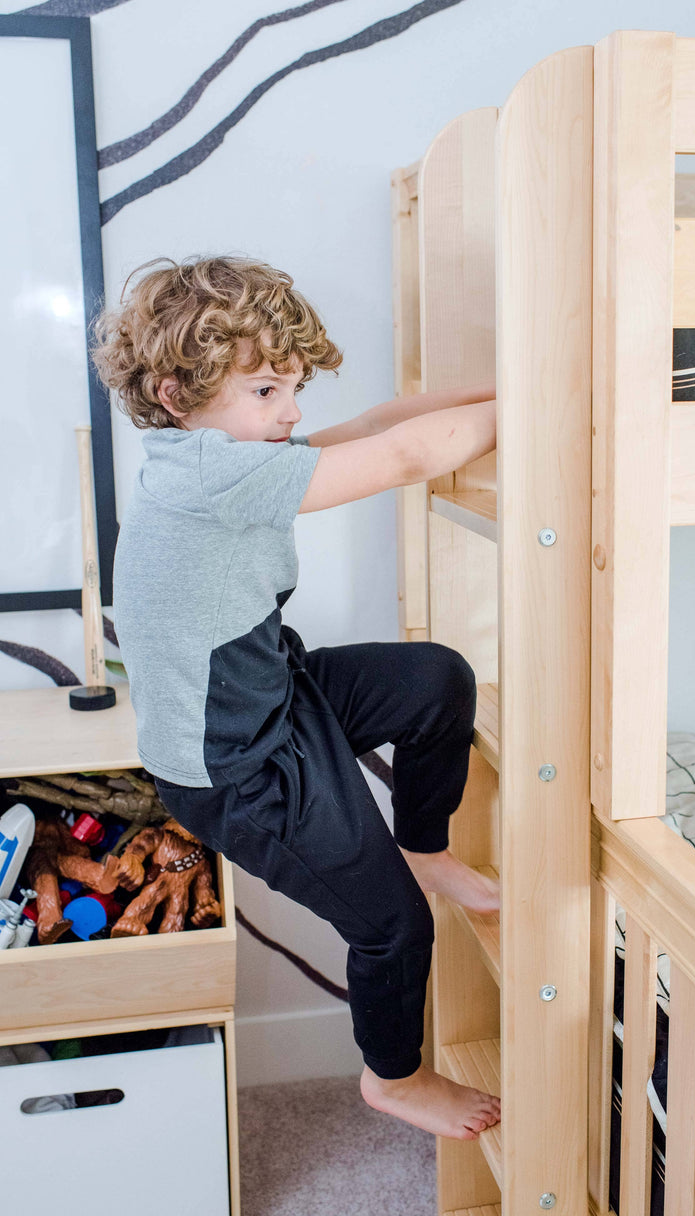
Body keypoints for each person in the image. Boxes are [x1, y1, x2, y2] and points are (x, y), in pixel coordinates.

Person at [93, 255, 500, 1140]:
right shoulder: (209, 476)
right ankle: (393, 1077)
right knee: (391, 927)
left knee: (436, 682)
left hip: (279, 694)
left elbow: (375, 423)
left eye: (294, 386)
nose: (293, 412)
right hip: (239, 770)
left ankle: (424, 844)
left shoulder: (231, 453)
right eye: (268, 388)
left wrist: (514, 383)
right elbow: (400, 456)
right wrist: (539, 411)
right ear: (175, 394)